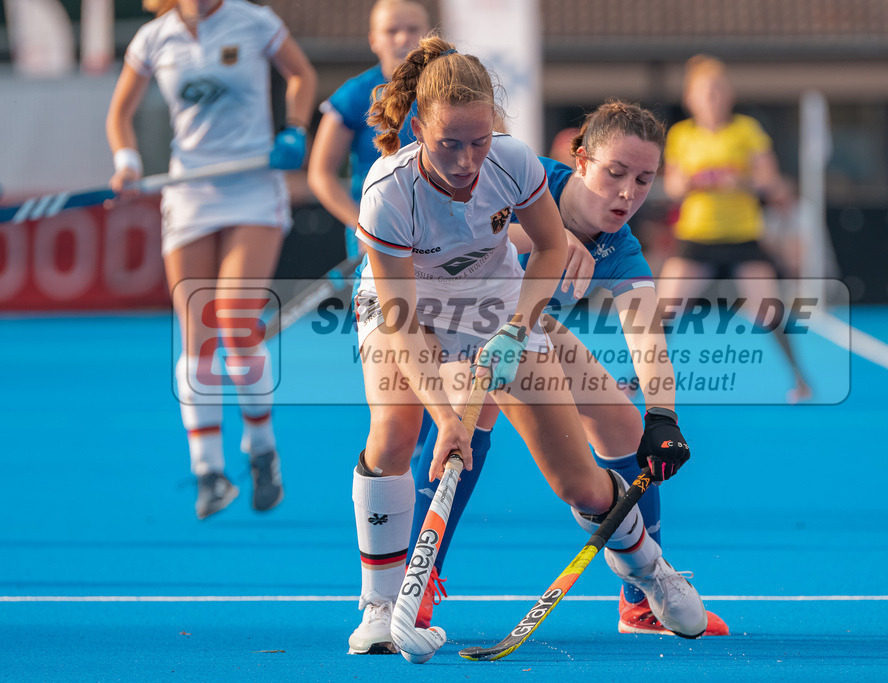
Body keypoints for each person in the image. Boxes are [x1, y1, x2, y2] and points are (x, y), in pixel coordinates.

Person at [347, 34, 707, 655]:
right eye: (448, 145)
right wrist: (446, 413)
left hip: (498, 303)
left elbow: (550, 251)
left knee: (583, 484)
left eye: (478, 144)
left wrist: (516, 332)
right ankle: (386, 603)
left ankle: (648, 573)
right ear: (418, 130)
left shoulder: (515, 165)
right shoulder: (387, 193)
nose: (465, 162)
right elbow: (404, 321)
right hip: (404, 305)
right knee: (399, 430)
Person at [408, 100, 729, 637]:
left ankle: (638, 602)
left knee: (626, 425)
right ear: (580, 160)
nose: (628, 192)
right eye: (615, 173)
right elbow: (462, 221)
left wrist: (664, 416)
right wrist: (550, 238)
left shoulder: (622, 251)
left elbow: (648, 339)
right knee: (468, 419)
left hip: (521, 324)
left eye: (645, 179)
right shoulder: (522, 174)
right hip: (439, 310)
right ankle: (415, 585)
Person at [106, 0, 317, 519]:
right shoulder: (153, 38)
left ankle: (262, 449)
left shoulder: (254, 21)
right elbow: (119, 115)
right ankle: (208, 471)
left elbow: (302, 75)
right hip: (190, 191)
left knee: (235, 319)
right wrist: (127, 162)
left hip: (252, 186)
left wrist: (294, 128)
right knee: (196, 332)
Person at [657, 55, 811, 403]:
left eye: (718, 90)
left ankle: (800, 380)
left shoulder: (746, 131)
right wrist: (698, 183)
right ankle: (642, 380)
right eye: (704, 92)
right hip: (696, 236)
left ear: (728, 95)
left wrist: (736, 180)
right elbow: (674, 188)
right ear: (690, 98)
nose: (712, 98)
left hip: (742, 236)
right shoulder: (681, 135)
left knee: (769, 310)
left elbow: (769, 180)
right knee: (664, 309)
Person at [307, 0, 430, 262]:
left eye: (412, 28)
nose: (403, 37)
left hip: (442, 225)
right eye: (391, 30)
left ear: (428, 35)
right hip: (376, 230)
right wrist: (361, 226)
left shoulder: (451, 88)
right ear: (374, 40)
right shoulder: (354, 94)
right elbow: (320, 175)